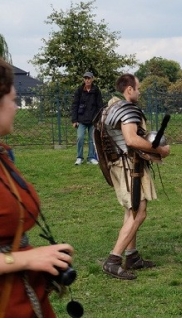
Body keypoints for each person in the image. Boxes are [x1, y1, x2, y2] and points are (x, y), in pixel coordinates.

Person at [0, 59, 74, 317]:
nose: (17, 108)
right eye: (13, 100)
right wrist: (26, 259)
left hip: (24, 298)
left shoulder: (3, 155)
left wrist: (43, 257)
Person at [99, 73, 170, 280]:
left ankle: (132, 256)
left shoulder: (110, 108)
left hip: (121, 164)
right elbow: (131, 140)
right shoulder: (128, 109)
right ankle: (113, 259)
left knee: (132, 209)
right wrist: (160, 151)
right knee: (139, 212)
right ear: (129, 90)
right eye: (138, 88)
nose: (139, 92)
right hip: (129, 165)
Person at [71, 71, 103, 165]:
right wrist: (74, 120)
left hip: (93, 120)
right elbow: (75, 105)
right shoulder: (79, 90)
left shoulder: (96, 90)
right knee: (80, 138)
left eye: (89, 78)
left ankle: (91, 158)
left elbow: (100, 106)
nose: (87, 80)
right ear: (83, 79)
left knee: (92, 139)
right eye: (85, 78)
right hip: (81, 119)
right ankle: (79, 157)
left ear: (92, 79)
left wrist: (99, 120)